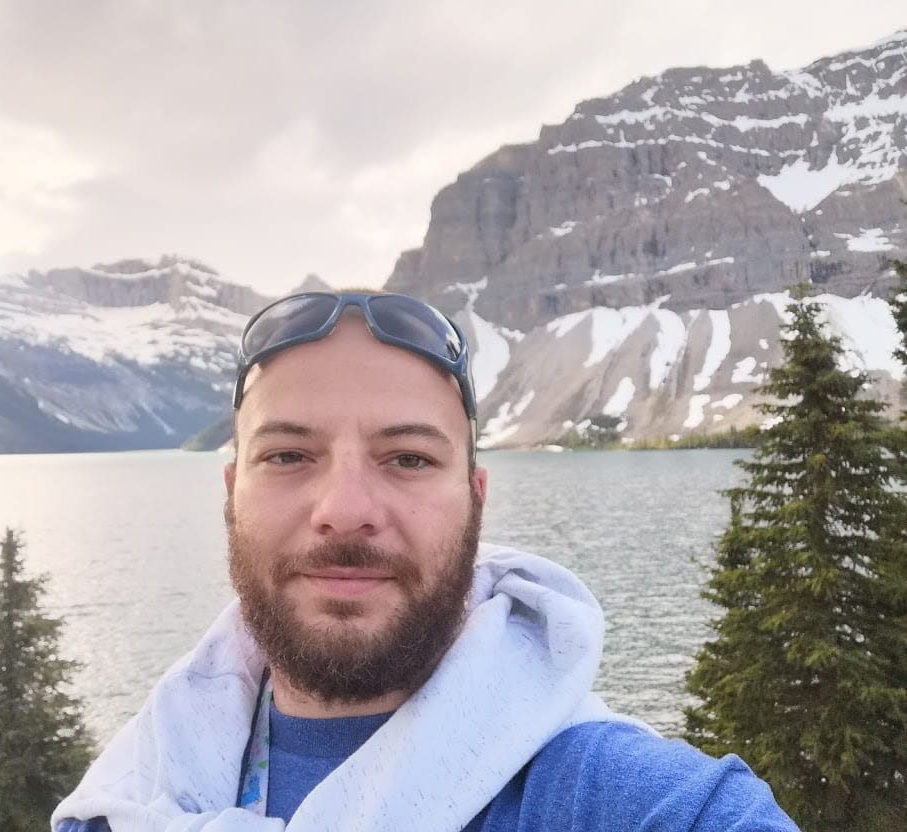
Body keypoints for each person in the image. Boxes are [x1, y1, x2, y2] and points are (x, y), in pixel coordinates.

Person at [53, 291, 798, 832]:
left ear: (476, 497)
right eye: (287, 455)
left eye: (407, 457)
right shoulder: (132, 793)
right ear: (230, 492)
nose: (344, 508)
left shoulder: (622, 802)